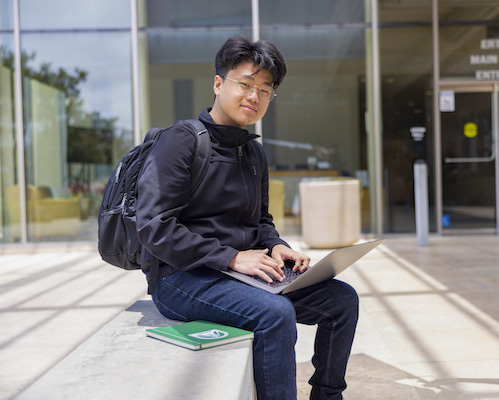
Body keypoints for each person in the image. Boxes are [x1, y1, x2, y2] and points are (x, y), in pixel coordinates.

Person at [136, 35, 358, 400]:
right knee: (276, 313)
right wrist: (233, 257)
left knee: (341, 300)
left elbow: (261, 221)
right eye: (245, 84)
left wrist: (277, 246)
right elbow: (154, 226)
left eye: (265, 90)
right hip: (180, 277)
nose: (254, 96)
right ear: (219, 83)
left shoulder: (253, 152)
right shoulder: (181, 141)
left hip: (240, 275)